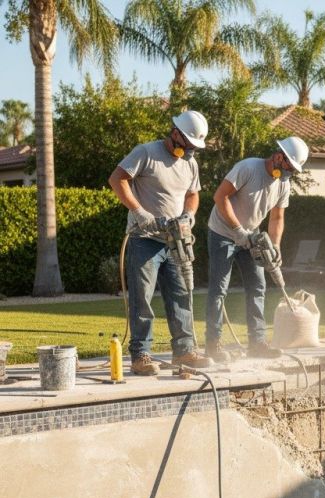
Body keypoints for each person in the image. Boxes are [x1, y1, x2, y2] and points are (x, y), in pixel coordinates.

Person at [109, 110, 212, 376]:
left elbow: (193, 195)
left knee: (181, 295)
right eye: (187, 144)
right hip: (144, 239)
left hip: (174, 241)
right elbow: (117, 179)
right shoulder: (146, 152)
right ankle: (140, 354)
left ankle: (184, 351)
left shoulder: (190, 163)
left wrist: (189, 215)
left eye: (194, 147)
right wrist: (140, 213)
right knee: (142, 299)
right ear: (175, 133)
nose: (190, 151)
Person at [204, 136, 309, 362]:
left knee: (257, 286)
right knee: (219, 289)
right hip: (222, 233)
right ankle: (213, 344)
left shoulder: (283, 183)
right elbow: (220, 197)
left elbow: (277, 217)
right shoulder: (248, 168)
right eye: (290, 166)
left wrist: (275, 245)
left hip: (251, 237)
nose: (291, 171)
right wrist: (237, 230)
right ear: (279, 156)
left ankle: (257, 343)